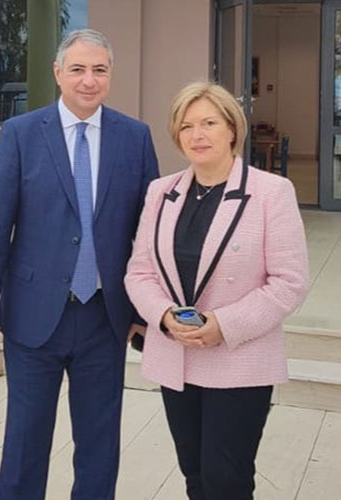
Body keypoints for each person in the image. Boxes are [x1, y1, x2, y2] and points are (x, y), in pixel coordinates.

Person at [0, 29, 159, 499]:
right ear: (58, 73)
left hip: (104, 319)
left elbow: (148, 234)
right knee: (26, 440)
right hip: (32, 317)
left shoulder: (135, 137)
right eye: (77, 69)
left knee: (99, 443)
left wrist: (142, 312)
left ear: (110, 74)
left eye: (99, 70)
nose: (88, 80)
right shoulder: (21, 134)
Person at [124, 82, 309, 500]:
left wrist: (223, 325)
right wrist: (164, 316)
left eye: (209, 123)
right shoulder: (161, 192)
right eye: (186, 126)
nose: (197, 135)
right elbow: (139, 271)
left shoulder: (271, 192)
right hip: (176, 353)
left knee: (227, 479)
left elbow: (289, 281)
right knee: (194, 473)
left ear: (232, 129)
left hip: (238, 357)